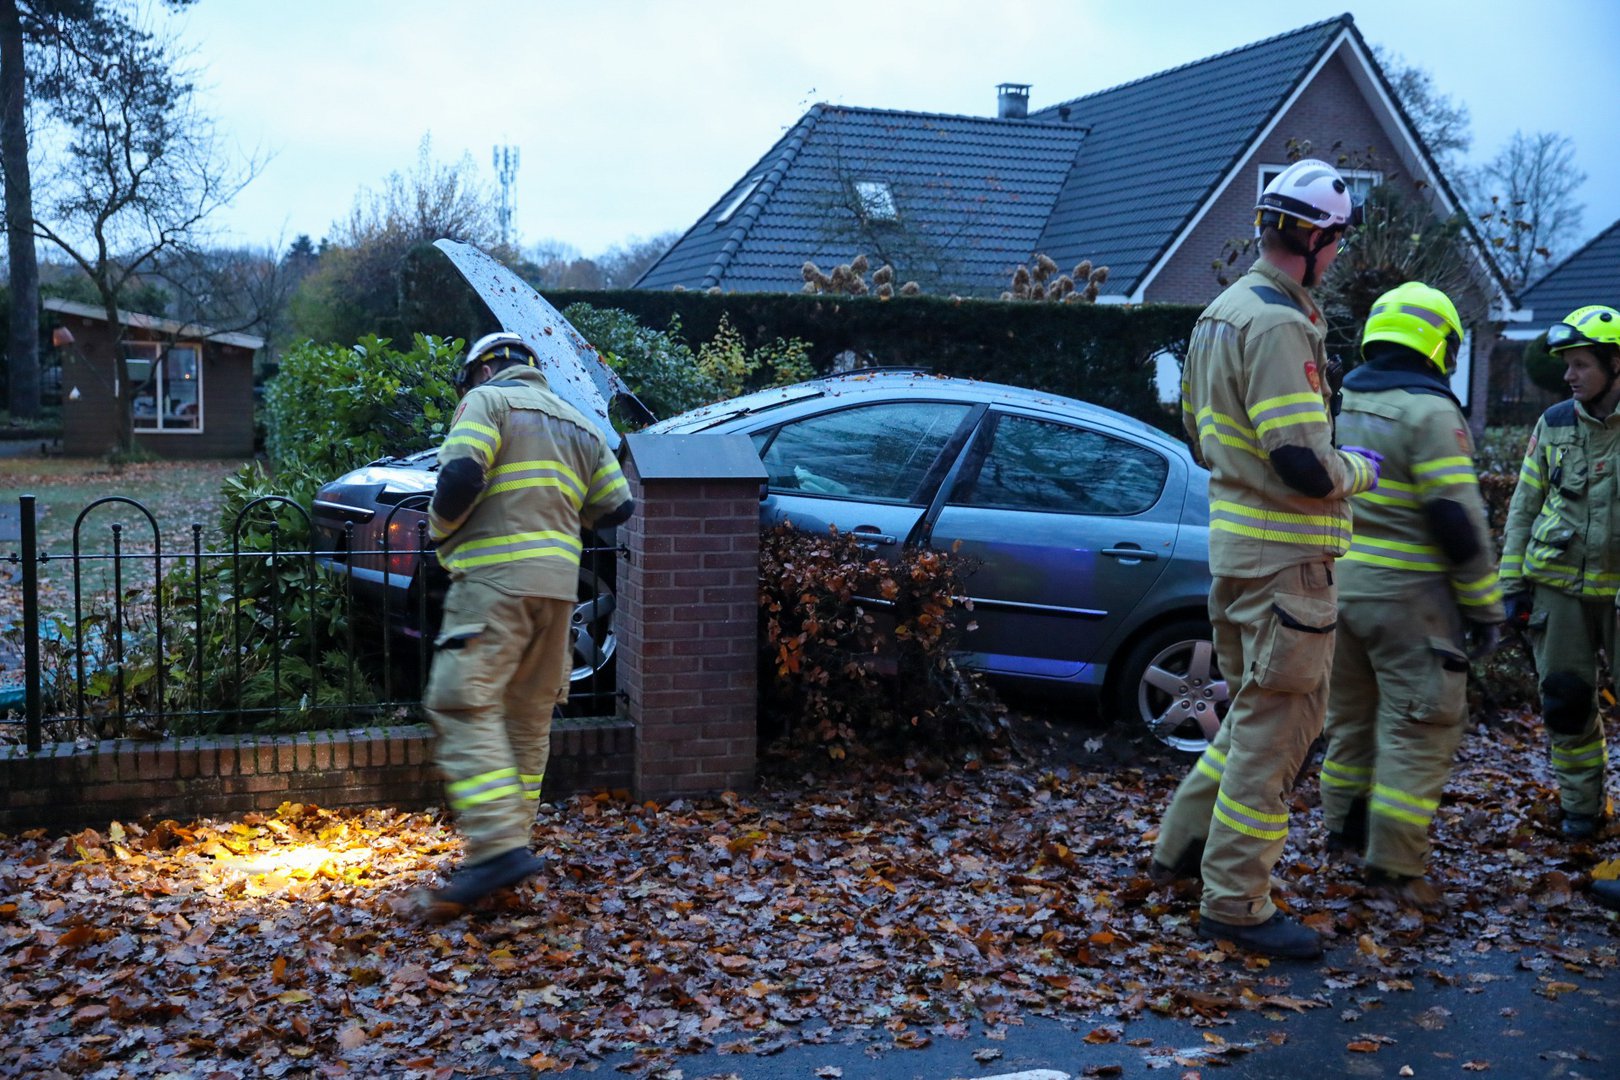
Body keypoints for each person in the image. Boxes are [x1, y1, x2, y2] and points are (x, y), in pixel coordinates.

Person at [1150, 158, 1381, 960]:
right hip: (1288, 565)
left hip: (1239, 556)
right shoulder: (1280, 323)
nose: (1342, 255)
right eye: (1338, 241)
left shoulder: (1221, 311)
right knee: (1277, 734)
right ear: (1313, 237)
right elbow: (1304, 465)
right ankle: (1237, 903)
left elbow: (1198, 430)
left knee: (1248, 717)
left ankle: (1179, 852)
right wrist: (1358, 469)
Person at [419, 331, 635, 911]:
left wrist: (440, 531)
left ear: (483, 371)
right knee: (527, 723)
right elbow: (619, 506)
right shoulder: (580, 424)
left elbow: (461, 477)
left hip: (495, 585)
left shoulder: (489, 403)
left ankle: (493, 851)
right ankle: (509, 851)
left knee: (460, 702)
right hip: (559, 596)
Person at [1319, 283, 1504, 911]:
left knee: (1351, 724)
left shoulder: (1344, 400)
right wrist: (1485, 608)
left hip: (1342, 591)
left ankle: (1342, 834)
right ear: (1440, 344)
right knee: (1420, 729)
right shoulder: (1431, 413)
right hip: (1411, 603)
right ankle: (1396, 870)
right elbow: (1457, 520)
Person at [1499, 306, 1620, 840]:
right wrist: (1511, 587)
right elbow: (1525, 507)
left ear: (1616, 364)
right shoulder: (1553, 424)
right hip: (1557, 587)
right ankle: (1582, 812)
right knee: (1566, 702)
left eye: (1580, 364)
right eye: (1567, 365)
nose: (1568, 376)